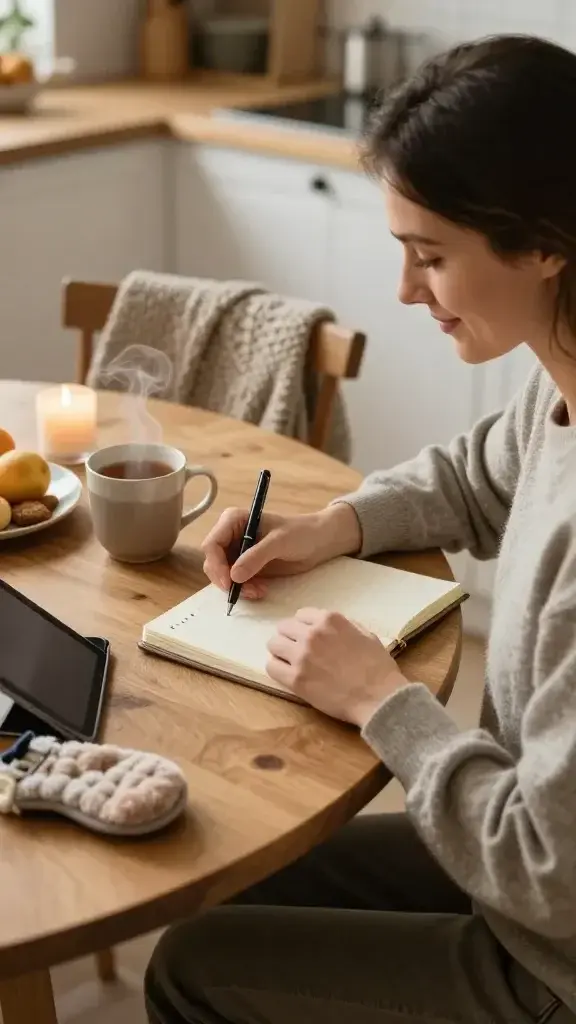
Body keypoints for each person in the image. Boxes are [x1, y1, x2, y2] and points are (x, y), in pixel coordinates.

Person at [145, 34, 576, 1024]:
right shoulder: (558, 383)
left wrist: (381, 698)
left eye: (432, 256)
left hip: (550, 958)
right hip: (523, 869)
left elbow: (545, 871)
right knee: (236, 873)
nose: (406, 292)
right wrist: (335, 524)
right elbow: (472, 476)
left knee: (192, 967)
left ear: (544, 243)